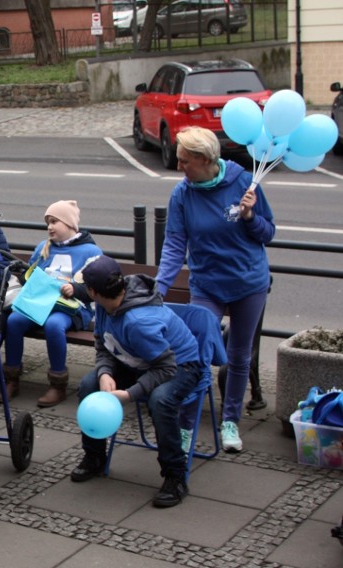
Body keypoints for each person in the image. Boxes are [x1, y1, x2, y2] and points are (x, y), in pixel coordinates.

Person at [155, 126, 275, 453]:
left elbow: (268, 233)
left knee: (238, 356)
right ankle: (185, 425)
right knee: (196, 355)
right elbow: (175, 244)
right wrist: (160, 288)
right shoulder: (182, 193)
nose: (179, 167)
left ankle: (230, 422)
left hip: (249, 283)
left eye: (184, 161)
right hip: (207, 286)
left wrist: (250, 216)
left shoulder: (243, 182)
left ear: (206, 159)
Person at [71, 255, 203, 508]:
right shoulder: (104, 303)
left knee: (161, 400)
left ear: (92, 291)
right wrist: (105, 373)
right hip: (137, 358)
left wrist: (131, 394)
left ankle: (175, 476)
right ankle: (94, 457)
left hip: (182, 365)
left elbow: (166, 367)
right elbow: (104, 344)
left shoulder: (139, 322)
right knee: (89, 386)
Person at [2, 200, 102, 406]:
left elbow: (96, 285)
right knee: (13, 321)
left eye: (55, 221)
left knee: (54, 326)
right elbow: (30, 275)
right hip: (40, 304)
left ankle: (58, 384)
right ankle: (11, 378)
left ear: (70, 224)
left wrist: (75, 288)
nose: (49, 227)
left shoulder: (90, 251)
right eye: (48, 222)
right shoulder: (43, 247)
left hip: (71, 308)